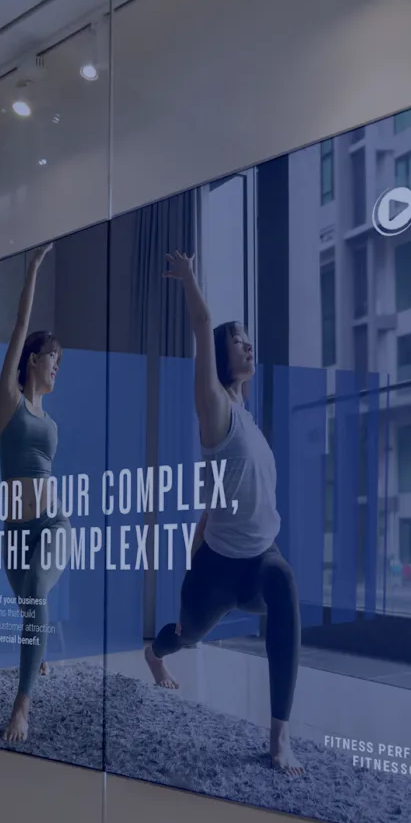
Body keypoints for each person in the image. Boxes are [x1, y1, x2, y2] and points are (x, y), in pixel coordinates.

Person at [145, 251, 304, 773]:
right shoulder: (213, 407)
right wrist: (191, 280)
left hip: (261, 559)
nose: (249, 345)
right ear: (220, 354)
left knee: (285, 587)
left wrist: (200, 523)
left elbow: (221, 490)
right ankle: (155, 652)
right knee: (187, 634)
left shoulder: (250, 423)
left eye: (249, 339)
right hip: (218, 566)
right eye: (239, 340)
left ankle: (279, 736)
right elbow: (201, 322)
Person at [0, 244, 60, 743]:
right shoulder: (10, 403)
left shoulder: (51, 423)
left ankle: (21, 706)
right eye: (53, 360)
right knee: (28, 608)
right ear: (33, 361)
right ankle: (37, 654)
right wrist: (33, 269)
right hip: (14, 532)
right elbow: (19, 328)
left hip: (53, 524)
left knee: (35, 594)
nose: (57, 368)